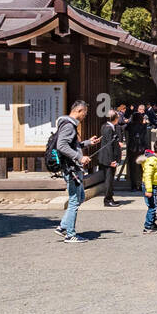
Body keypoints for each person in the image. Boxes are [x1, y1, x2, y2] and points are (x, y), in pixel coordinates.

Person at [54, 100, 101, 243]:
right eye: (85, 112)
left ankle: (63, 227)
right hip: (72, 168)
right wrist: (79, 157)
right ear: (79, 111)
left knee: (80, 197)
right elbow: (61, 145)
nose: (85, 116)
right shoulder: (69, 126)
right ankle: (70, 234)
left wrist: (87, 143)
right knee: (75, 201)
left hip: (73, 167)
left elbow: (72, 145)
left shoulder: (66, 124)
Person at [98, 111, 122, 206]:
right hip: (108, 158)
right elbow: (108, 146)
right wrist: (111, 160)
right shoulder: (109, 129)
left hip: (107, 157)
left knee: (110, 179)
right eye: (117, 117)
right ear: (115, 118)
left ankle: (110, 197)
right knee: (109, 179)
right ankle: (107, 200)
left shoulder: (106, 126)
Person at [139, 144, 157, 234]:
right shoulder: (152, 160)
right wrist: (149, 190)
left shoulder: (153, 159)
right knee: (152, 206)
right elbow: (147, 176)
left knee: (154, 205)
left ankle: (152, 223)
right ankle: (147, 227)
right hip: (150, 186)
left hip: (153, 185)